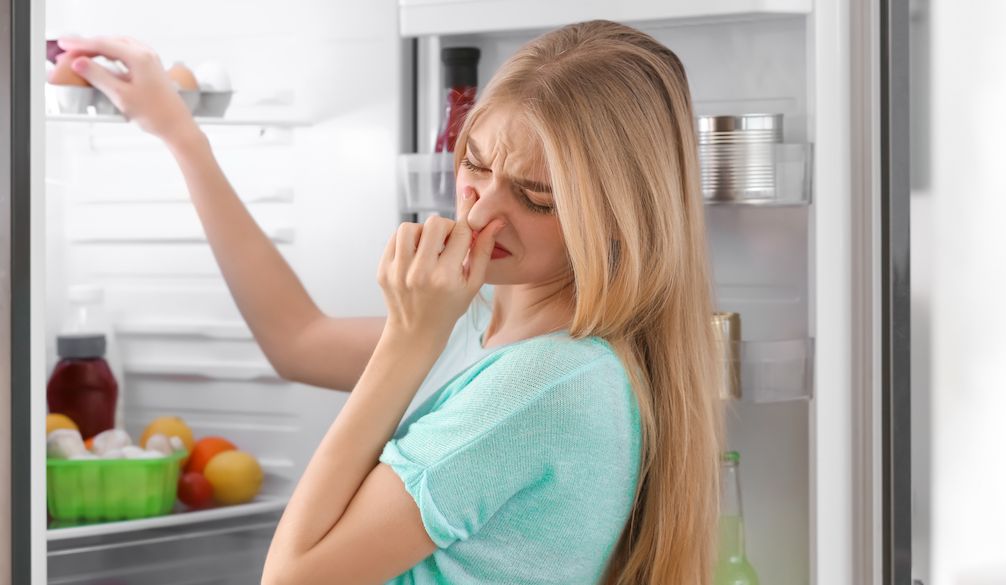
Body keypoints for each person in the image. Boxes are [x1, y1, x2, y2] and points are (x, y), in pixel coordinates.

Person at [59, 18, 722, 585]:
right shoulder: (485, 328)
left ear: (618, 218)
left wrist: (410, 336)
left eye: (535, 195)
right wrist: (183, 137)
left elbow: (291, 577)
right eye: (477, 165)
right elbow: (296, 339)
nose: (482, 208)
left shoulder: (542, 382)